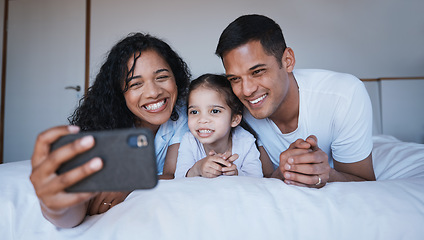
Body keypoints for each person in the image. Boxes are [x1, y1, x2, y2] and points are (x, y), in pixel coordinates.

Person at [29, 32, 191, 228]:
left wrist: (128, 186)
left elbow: (173, 175)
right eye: (136, 84)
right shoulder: (106, 126)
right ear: (119, 93)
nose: (153, 92)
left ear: (176, 78)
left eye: (162, 77)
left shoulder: (185, 113)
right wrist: (54, 208)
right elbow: (81, 203)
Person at [215, 14, 376, 188]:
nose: (246, 91)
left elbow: (365, 183)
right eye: (235, 79)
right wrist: (284, 172)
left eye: (257, 72)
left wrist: (327, 174)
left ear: (288, 61)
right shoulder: (233, 110)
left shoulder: (343, 95)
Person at [174, 74, 263, 178]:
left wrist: (236, 173)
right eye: (194, 112)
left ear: (234, 119)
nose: (202, 120)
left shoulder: (246, 141)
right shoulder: (189, 141)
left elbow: (257, 179)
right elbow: (179, 179)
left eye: (214, 111)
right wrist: (198, 168)